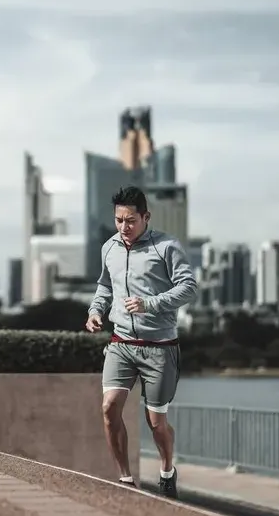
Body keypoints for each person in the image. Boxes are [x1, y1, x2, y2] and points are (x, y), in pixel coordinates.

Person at [85, 185, 198, 499]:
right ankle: (125, 479)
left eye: (130, 220)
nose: (124, 227)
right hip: (121, 343)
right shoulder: (109, 247)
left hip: (159, 347)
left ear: (146, 217)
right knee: (109, 407)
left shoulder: (166, 247)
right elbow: (104, 286)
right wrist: (95, 311)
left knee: (156, 423)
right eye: (119, 220)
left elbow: (189, 287)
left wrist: (150, 304)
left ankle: (167, 471)